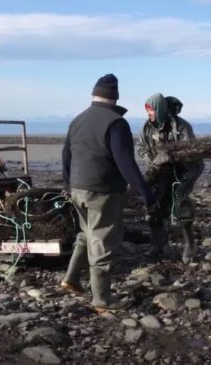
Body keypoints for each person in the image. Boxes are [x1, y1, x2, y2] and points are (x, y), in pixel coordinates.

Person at [60, 73, 157, 313]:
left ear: (94, 95)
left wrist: (68, 185)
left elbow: (66, 156)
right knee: (103, 242)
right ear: (115, 98)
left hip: (77, 189)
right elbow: (126, 163)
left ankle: (71, 280)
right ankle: (102, 301)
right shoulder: (116, 123)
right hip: (102, 191)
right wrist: (146, 194)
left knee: (85, 234)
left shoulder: (78, 120)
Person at [137, 94, 204, 264]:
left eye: (151, 110)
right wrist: (153, 160)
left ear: (160, 109)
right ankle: (157, 246)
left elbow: (191, 152)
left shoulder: (181, 127)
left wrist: (172, 156)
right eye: (148, 111)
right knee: (154, 206)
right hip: (159, 171)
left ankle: (189, 245)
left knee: (180, 205)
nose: (149, 114)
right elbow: (141, 147)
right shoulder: (147, 127)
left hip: (184, 171)